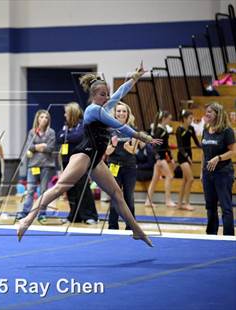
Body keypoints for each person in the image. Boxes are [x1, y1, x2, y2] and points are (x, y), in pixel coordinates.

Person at [17, 62, 162, 247]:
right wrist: (143, 136)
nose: (107, 96)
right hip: (84, 155)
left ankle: (135, 230)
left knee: (117, 193)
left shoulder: (104, 105)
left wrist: (136, 77)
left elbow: (121, 93)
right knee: (60, 187)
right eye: (103, 94)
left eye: (107, 93)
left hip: (96, 159)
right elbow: (119, 126)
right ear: (94, 95)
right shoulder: (94, 110)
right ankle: (27, 220)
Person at [56, 102, 98, 224]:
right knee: (70, 188)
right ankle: (74, 215)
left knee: (82, 187)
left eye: (66, 112)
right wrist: (68, 135)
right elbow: (59, 137)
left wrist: (66, 136)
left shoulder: (82, 124)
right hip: (66, 161)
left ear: (73, 113)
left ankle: (90, 215)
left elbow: (79, 136)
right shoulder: (66, 126)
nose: (64, 115)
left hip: (79, 161)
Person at [105, 101, 142, 230]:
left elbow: (134, 151)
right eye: (119, 111)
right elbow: (107, 152)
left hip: (129, 167)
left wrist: (128, 148)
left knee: (129, 197)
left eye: (124, 111)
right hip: (114, 166)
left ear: (128, 114)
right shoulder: (109, 130)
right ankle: (112, 225)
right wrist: (114, 145)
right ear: (115, 113)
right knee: (115, 196)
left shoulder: (133, 130)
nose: (121, 113)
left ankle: (130, 225)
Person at [201, 102, 235, 236]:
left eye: (209, 111)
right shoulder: (205, 129)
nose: (206, 114)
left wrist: (218, 158)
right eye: (206, 111)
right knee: (210, 207)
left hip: (223, 173)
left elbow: (233, 152)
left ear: (217, 114)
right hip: (207, 174)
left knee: (226, 207)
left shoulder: (227, 131)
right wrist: (201, 172)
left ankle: (228, 236)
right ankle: (211, 235)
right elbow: (204, 152)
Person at [17, 110, 56, 222]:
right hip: (33, 165)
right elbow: (29, 147)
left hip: (46, 165)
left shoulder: (51, 132)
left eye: (46, 117)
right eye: (42, 117)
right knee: (30, 190)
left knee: (44, 191)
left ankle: (42, 213)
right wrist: (41, 146)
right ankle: (25, 212)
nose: (44, 119)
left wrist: (37, 147)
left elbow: (50, 148)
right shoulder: (32, 132)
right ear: (37, 119)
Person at [145, 111, 176, 208]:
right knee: (169, 176)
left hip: (161, 157)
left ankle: (147, 201)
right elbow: (154, 144)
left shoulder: (163, 129)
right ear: (164, 118)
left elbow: (165, 146)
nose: (170, 121)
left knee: (154, 180)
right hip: (160, 158)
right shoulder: (159, 130)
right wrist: (158, 157)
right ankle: (167, 200)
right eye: (169, 119)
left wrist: (170, 158)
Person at [175, 110, 201, 211]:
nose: (192, 120)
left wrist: (204, 146)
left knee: (185, 181)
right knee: (190, 179)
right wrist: (187, 157)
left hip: (189, 155)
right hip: (182, 157)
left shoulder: (191, 128)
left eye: (192, 118)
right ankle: (187, 203)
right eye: (190, 118)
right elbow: (180, 147)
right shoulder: (179, 130)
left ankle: (180, 204)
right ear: (185, 119)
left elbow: (197, 143)